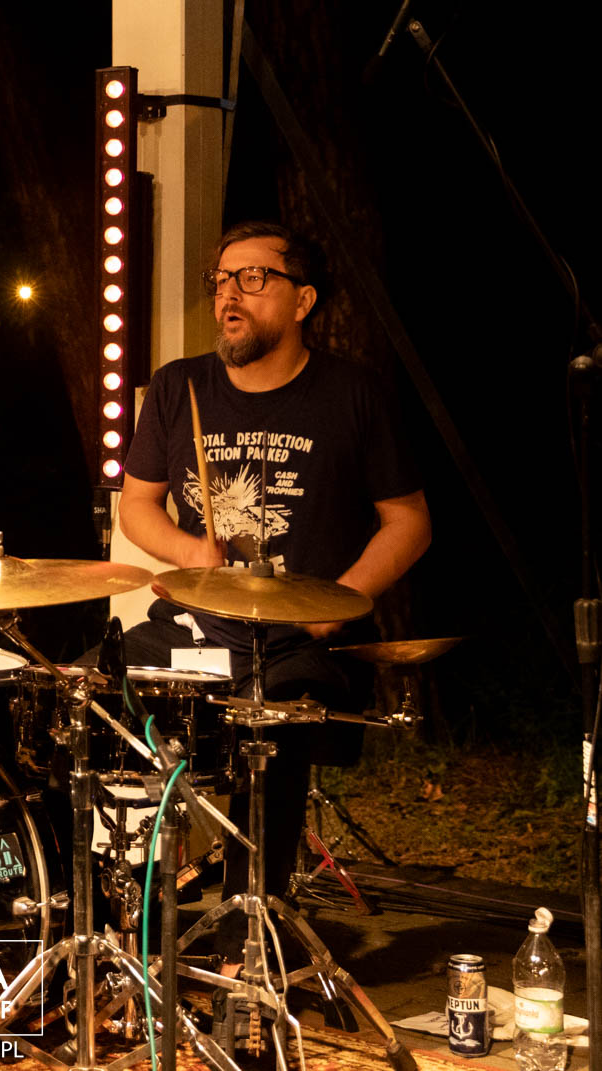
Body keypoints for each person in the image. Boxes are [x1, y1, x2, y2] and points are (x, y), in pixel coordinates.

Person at [117, 220, 431, 974]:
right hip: (197, 626)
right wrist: (191, 552)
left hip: (297, 639)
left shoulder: (352, 394)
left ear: (302, 301)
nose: (230, 294)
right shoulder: (178, 387)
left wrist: (343, 599)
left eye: (253, 278)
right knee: (95, 687)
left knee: (274, 716)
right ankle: (121, 918)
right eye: (222, 279)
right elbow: (137, 506)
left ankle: (247, 934)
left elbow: (410, 522)